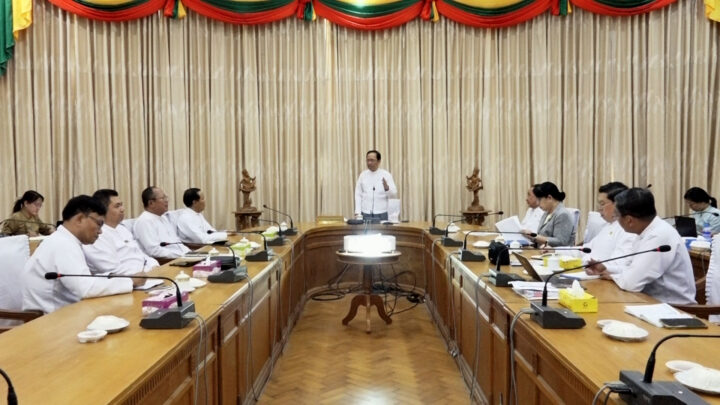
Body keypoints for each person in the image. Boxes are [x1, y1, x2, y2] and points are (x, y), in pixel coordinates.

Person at [21, 195, 139, 314]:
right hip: (53, 319)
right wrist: (130, 281)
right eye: (99, 223)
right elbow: (86, 288)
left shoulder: (64, 240)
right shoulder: (63, 244)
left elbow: (83, 281)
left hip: (68, 312)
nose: (100, 231)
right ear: (80, 219)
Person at [587, 188, 696, 305]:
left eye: (617, 216)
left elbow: (631, 283)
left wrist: (612, 277)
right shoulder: (646, 231)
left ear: (629, 220)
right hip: (648, 302)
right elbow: (631, 267)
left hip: (673, 308)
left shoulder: (659, 236)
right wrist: (606, 269)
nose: (616, 221)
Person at [82, 189, 159, 275]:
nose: (122, 209)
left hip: (147, 273)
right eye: (117, 206)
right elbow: (112, 269)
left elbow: (140, 254)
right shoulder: (96, 235)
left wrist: (154, 265)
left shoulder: (122, 229)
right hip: (129, 279)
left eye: (121, 205)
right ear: (103, 209)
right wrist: (144, 273)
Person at [566, 182, 636, 273]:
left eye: (602, 204)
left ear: (617, 204)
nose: (599, 208)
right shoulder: (609, 226)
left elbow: (618, 264)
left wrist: (592, 265)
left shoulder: (628, 230)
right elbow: (585, 249)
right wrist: (554, 251)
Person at [133, 186, 190, 259]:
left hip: (181, 257)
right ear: (151, 203)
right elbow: (154, 251)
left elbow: (177, 242)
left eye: (166, 198)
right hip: (167, 261)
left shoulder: (163, 218)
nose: (166, 201)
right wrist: (182, 256)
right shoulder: (144, 221)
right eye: (163, 198)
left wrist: (191, 253)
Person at [523, 182, 575, 247]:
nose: (538, 203)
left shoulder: (563, 214)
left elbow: (560, 242)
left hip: (557, 253)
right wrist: (531, 236)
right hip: (541, 250)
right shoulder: (546, 213)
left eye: (540, 200)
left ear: (549, 198)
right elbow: (541, 237)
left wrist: (534, 236)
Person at [354, 150, 397, 221]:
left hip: (382, 213)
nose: (369, 163)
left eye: (372, 160)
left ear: (379, 161)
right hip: (365, 212)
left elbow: (393, 195)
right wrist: (357, 212)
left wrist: (387, 188)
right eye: (367, 160)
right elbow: (358, 194)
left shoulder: (386, 175)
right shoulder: (363, 175)